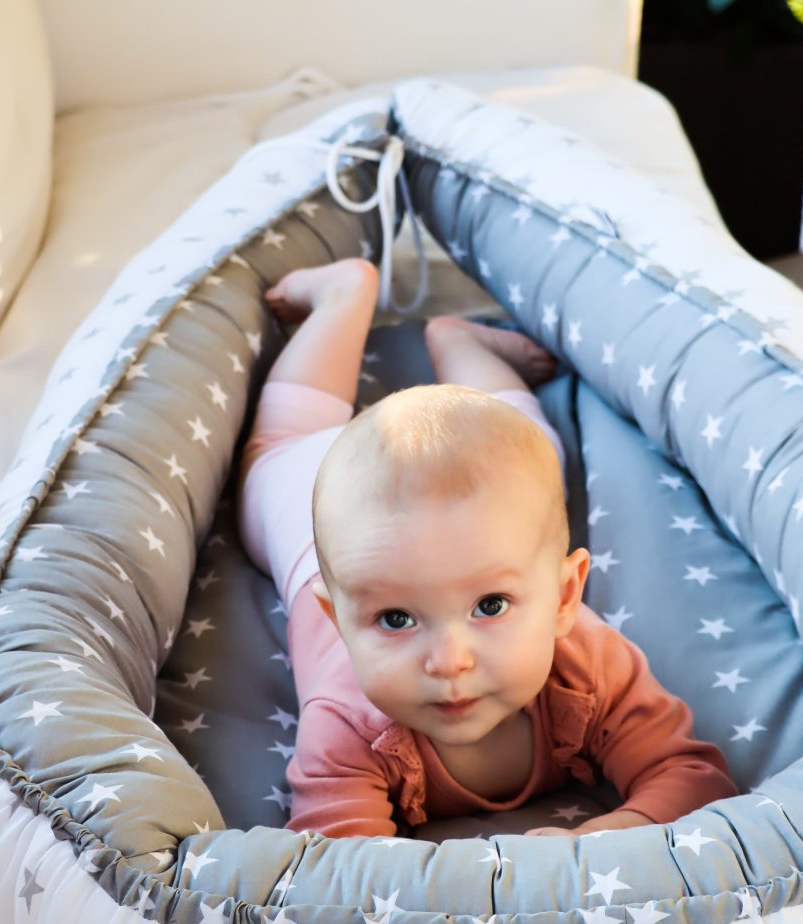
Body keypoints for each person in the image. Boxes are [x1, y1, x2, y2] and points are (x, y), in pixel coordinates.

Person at [238, 257, 737, 838]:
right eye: (395, 618)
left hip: (456, 492)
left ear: (563, 596)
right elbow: (337, 874)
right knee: (282, 444)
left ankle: (461, 343)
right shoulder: (346, 725)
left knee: (523, 442)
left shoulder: (593, 669)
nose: (449, 661)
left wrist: (600, 842)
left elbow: (691, 777)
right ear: (338, 620)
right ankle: (341, 297)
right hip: (307, 504)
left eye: (491, 605)